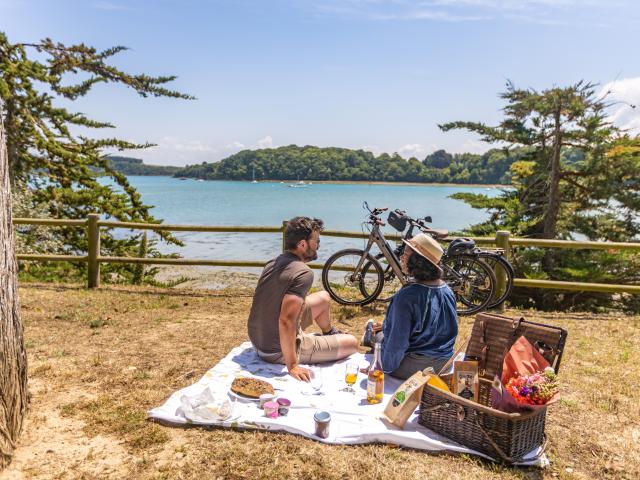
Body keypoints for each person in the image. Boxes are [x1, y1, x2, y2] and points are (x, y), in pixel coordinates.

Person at [247, 216, 358, 382]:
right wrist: (292, 365)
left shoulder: (273, 262)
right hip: (276, 351)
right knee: (352, 343)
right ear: (302, 244)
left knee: (324, 297)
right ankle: (318, 344)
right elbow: (286, 320)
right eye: (316, 241)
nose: (318, 245)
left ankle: (329, 333)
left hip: (259, 341)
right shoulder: (304, 273)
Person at [362, 233, 458, 379]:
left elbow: (396, 345)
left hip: (419, 368)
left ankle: (370, 334)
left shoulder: (407, 297)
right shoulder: (447, 290)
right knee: (383, 332)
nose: (401, 257)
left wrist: (379, 367)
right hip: (446, 364)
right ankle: (373, 333)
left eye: (406, 253)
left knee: (380, 337)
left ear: (417, 261)